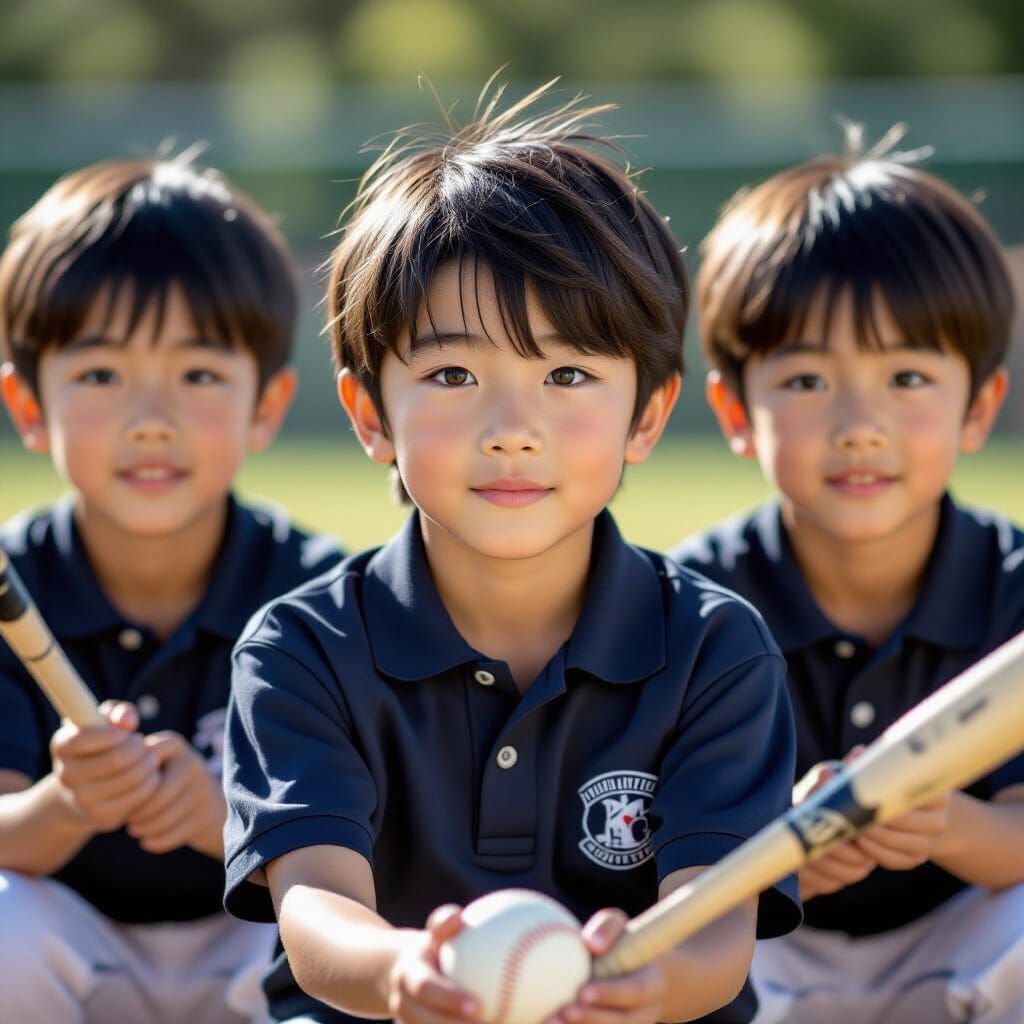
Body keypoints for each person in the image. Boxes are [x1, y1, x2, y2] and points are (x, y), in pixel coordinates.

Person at [221, 83, 802, 1024]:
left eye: (567, 374)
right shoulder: (298, 647)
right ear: (372, 414)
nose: (512, 429)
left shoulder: (715, 648)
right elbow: (317, 912)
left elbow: (713, 935)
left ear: (646, 415)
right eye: (453, 374)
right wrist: (406, 972)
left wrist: (647, 984)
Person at [671, 126, 1024, 1024]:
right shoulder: (685, 604)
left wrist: (938, 821)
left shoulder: (1012, 587)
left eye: (908, 376)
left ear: (979, 405)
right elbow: (643, 846)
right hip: (764, 959)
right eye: (807, 381)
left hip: (963, 946)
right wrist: (781, 847)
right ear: (735, 409)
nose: (860, 423)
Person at [0, 153, 342, 1023]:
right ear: (28, 404)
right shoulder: (13, 586)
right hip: (69, 952)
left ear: (266, 405)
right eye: (100, 374)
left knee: (359, 930)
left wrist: (226, 820)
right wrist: (65, 804)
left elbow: (378, 833)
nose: (150, 417)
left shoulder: (322, 594)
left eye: (198, 374)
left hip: (254, 954)